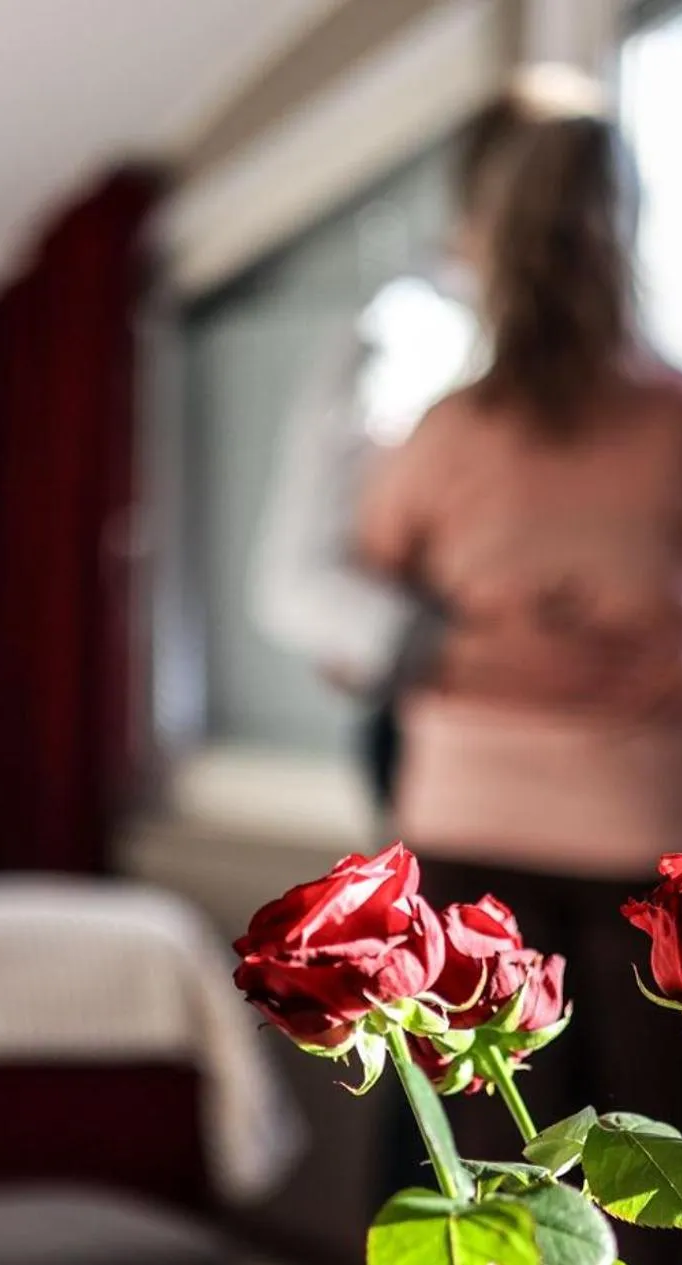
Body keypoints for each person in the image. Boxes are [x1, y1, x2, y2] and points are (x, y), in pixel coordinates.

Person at [354, 102, 682, 1265]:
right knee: (653, 1186)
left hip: (471, 813)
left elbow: (378, 599)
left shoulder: (441, 433)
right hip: (650, 823)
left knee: (468, 1196)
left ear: (490, 238)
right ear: (626, 231)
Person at [247, 95, 535, 818]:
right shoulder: (403, 338)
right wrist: (444, 646)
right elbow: (294, 581)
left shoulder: (640, 389)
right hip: (445, 739)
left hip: (609, 756)